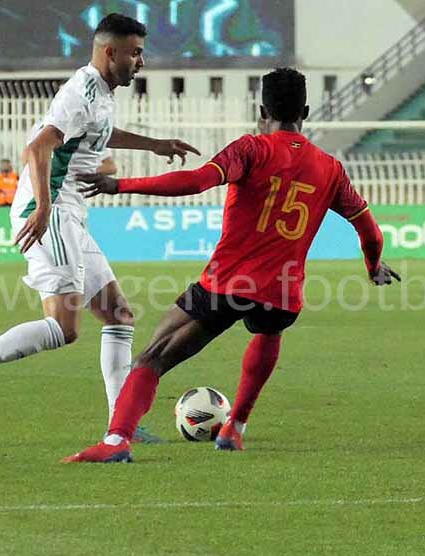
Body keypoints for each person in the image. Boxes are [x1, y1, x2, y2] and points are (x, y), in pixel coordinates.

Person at [63, 68, 400, 463]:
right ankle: (235, 427)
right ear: (305, 112)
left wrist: (121, 185)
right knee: (269, 332)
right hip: (283, 293)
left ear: (262, 112)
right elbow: (370, 231)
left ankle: (117, 441)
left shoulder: (251, 149)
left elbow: (195, 181)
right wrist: (373, 266)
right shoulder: (330, 169)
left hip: (227, 284)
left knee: (151, 358)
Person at [0, 13, 199, 443]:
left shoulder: (100, 93)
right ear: (110, 52)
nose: (141, 61)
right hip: (50, 210)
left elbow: (99, 134)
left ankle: (121, 423)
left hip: (67, 212)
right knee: (64, 328)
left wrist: (155, 145)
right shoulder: (79, 93)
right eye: (135, 53)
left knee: (119, 316)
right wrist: (44, 208)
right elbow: (37, 148)